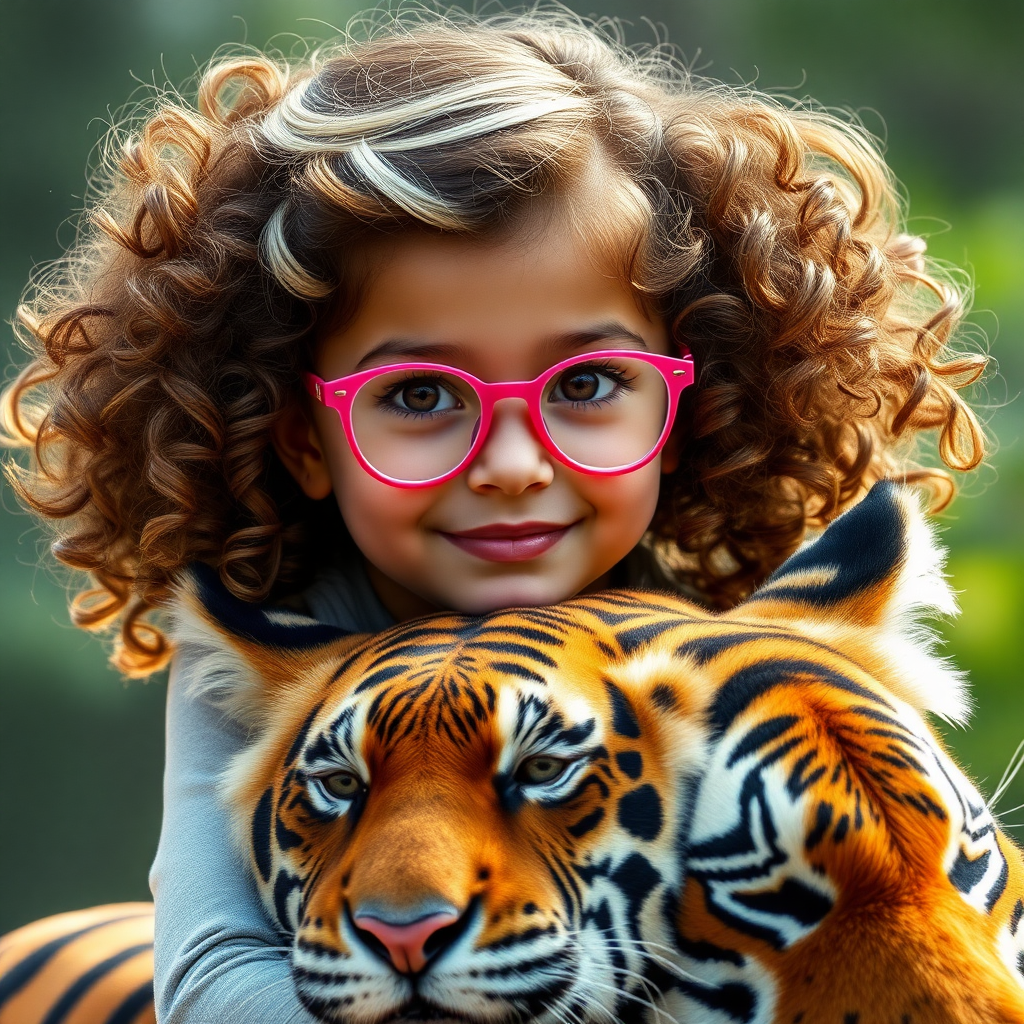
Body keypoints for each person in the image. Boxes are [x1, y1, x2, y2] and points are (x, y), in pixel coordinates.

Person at [1, 9, 986, 1022]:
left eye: (590, 381)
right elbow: (210, 983)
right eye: (422, 396)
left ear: (684, 408)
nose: (513, 465)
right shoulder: (266, 649)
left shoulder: (728, 639)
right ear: (301, 433)